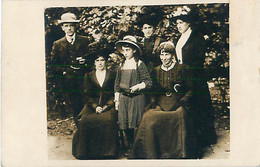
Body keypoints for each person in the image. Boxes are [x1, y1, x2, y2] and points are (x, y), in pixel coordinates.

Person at [129, 41, 199, 159]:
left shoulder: (182, 69)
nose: (164, 58)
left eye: (167, 55)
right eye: (162, 55)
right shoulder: (156, 71)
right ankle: (151, 152)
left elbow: (191, 89)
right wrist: (153, 101)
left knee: (180, 115)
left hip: (179, 102)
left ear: (172, 55)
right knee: (148, 117)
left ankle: (180, 153)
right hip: (160, 102)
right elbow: (152, 91)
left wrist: (183, 101)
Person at [173, 6, 217, 147]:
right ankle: (189, 137)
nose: (179, 25)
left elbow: (199, 59)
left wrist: (188, 71)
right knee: (187, 106)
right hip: (183, 76)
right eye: (177, 23)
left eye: (181, 22)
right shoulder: (179, 38)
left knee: (199, 105)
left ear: (188, 23)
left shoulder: (196, 37)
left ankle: (204, 138)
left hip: (195, 76)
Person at [72, 48, 119, 159]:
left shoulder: (112, 74)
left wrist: (107, 106)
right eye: (97, 61)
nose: (100, 63)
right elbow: (86, 95)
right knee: (85, 121)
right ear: (94, 63)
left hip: (108, 105)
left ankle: (108, 153)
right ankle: (86, 152)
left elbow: (115, 93)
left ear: (106, 61)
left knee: (109, 120)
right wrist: (95, 106)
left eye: (102, 60)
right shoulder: (89, 75)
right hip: (92, 106)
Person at [114, 35, 152, 156]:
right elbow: (117, 83)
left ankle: (137, 147)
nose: (125, 53)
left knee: (135, 123)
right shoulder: (121, 65)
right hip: (124, 98)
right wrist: (117, 100)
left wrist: (137, 86)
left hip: (136, 98)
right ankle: (129, 146)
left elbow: (148, 82)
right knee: (124, 124)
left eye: (128, 50)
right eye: (123, 50)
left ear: (134, 50)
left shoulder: (139, 64)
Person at [50, 12, 90, 125]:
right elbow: (53, 64)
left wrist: (86, 61)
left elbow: (93, 59)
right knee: (74, 105)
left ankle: (87, 128)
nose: (69, 28)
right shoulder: (58, 44)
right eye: (66, 25)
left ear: (75, 26)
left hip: (84, 78)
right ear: (62, 28)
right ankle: (79, 130)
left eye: (71, 25)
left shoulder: (85, 40)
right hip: (68, 80)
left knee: (87, 104)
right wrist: (63, 71)